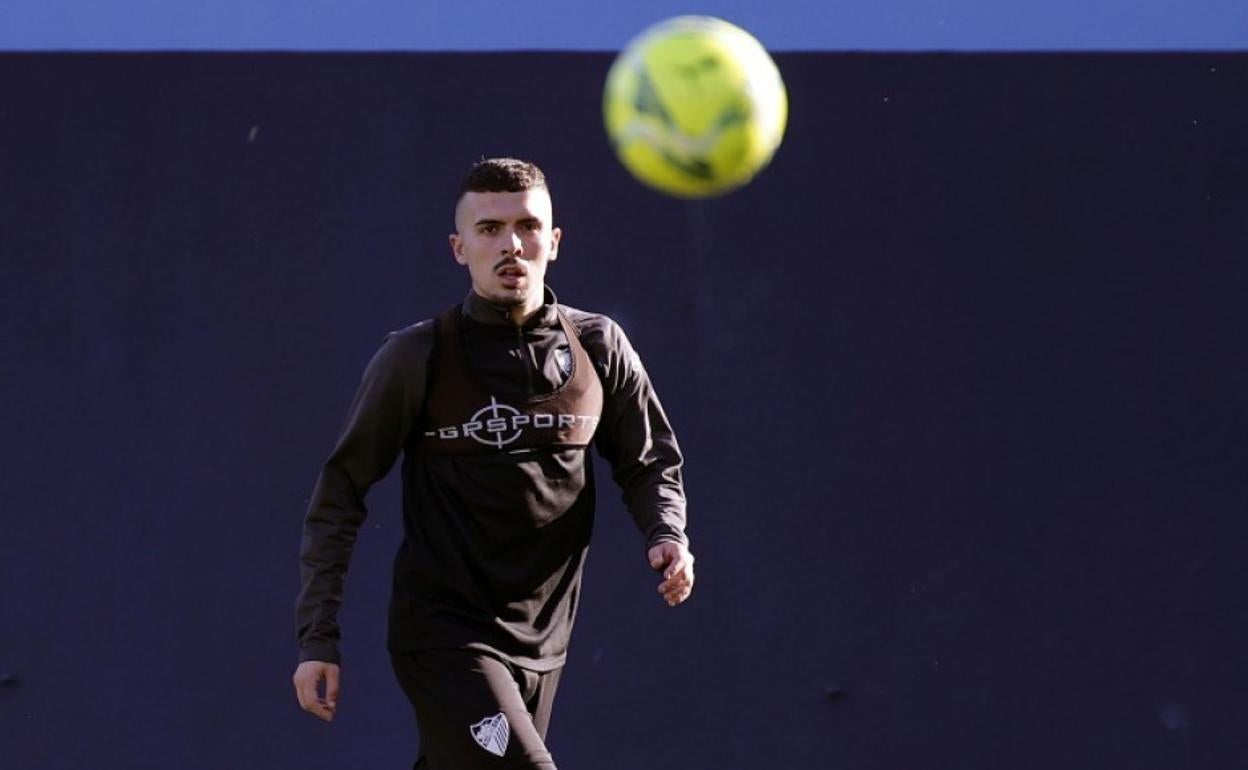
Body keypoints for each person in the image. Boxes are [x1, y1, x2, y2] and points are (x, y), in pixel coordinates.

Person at [292, 157, 694, 769]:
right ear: (458, 248)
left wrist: (666, 530)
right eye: (488, 230)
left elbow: (649, 461)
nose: (511, 244)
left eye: (528, 227)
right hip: (445, 635)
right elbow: (341, 489)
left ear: (554, 242)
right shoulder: (417, 357)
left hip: (546, 644)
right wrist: (317, 636)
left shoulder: (597, 346)